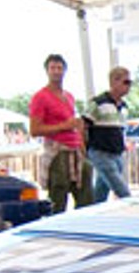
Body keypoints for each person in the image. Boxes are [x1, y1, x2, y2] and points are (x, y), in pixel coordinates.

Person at [29, 53, 92, 213]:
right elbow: (35, 130)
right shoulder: (40, 97)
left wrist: (82, 144)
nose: (56, 71)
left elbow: (74, 125)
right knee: (58, 196)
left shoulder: (69, 96)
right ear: (47, 71)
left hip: (76, 149)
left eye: (59, 68)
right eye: (53, 68)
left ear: (64, 71)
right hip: (58, 150)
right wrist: (64, 125)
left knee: (86, 195)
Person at [83, 65, 133, 200]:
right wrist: (84, 149)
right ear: (114, 82)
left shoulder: (124, 107)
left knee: (101, 191)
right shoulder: (98, 103)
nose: (129, 86)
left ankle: (94, 215)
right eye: (126, 82)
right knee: (121, 190)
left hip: (116, 153)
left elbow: (120, 129)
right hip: (100, 152)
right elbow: (83, 125)